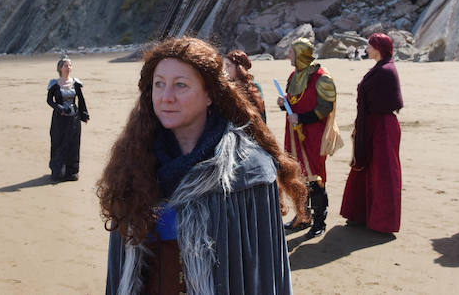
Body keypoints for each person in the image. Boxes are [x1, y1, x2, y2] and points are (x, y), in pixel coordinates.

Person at [98, 37, 307, 294]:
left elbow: (266, 271)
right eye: (159, 84)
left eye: (181, 85)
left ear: (210, 94)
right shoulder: (134, 164)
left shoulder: (249, 171)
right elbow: (121, 268)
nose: (166, 97)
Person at [277, 38, 342, 238]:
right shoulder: (293, 75)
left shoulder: (322, 78)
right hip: (294, 135)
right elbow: (293, 102)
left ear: (301, 54)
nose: (289, 55)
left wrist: (302, 118)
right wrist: (283, 104)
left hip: (312, 136)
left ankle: (319, 222)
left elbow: (325, 108)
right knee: (297, 178)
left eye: (292, 52)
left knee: (315, 179)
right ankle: (303, 218)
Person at [339, 33, 404, 233]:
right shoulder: (381, 68)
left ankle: (383, 222)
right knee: (366, 168)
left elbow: (387, 102)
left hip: (382, 127)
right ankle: (361, 214)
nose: (367, 49)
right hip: (373, 124)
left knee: (383, 172)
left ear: (379, 48)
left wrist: (365, 123)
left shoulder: (386, 71)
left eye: (370, 46)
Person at [46, 57, 89, 181]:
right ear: (60, 68)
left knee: (73, 144)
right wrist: (59, 107)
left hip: (73, 119)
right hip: (59, 119)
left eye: (70, 65)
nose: (68, 67)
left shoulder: (75, 83)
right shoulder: (54, 83)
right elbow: (49, 100)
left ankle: (72, 171)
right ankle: (58, 170)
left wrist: (84, 114)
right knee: (58, 143)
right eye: (66, 65)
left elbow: (81, 100)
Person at [224, 49, 266, 123]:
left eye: (228, 66)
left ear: (239, 68)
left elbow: (261, 117)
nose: (225, 69)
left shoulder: (254, 88)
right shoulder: (225, 88)